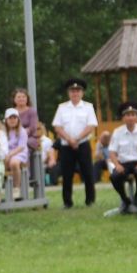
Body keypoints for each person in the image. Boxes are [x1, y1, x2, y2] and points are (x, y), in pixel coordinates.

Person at [52, 78, 98, 208]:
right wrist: (69, 139)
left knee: (88, 172)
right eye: (72, 91)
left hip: (82, 144)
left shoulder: (88, 107)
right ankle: (67, 202)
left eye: (78, 91)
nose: (75, 93)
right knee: (67, 174)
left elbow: (91, 126)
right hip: (66, 145)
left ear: (82, 93)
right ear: (68, 93)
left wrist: (76, 139)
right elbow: (57, 127)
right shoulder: (62, 108)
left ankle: (90, 200)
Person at [108, 102, 137, 214]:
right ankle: (125, 199)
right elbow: (112, 152)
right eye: (128, 115)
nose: (131, 117)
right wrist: (117, 165)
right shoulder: (117, 132)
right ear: (123, 117)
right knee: (114, 176)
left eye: (133, 115)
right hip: (124, 163)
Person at [4, 108, 30, 199]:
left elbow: (21, 147)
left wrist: (10, 155)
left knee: (14, 163)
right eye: (10, 118)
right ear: (6, 120)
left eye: (14, 118)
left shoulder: (22, 131)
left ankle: (16, 188)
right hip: (6, 154)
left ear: (18, 119)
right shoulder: (3, 132)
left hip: (19, 154)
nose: (12, 120)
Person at [10, 88, 40, 152]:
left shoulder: (32, 111)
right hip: (13, 136)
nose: (21, 99)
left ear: (27, 99)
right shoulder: (11, 111)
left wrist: (21, 134)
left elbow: (32, 128)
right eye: (19, 97)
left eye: (23, 97)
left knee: (22, 144)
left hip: (30, 138)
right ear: (14, 99)